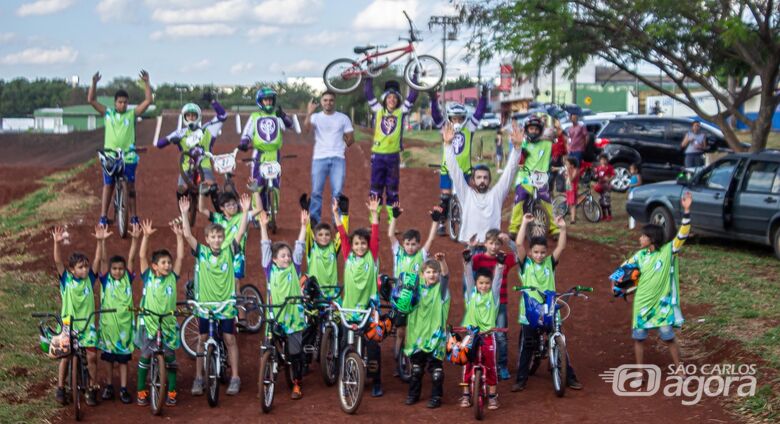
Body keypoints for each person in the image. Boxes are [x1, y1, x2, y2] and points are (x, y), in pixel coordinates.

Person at [179, 194, 251, 397]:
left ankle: (235, 377)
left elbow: (241, 231)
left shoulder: (229, 251)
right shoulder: (201, 251)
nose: (217, 240)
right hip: (205, 305)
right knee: (202, 339)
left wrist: (245, 211)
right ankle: (198, 377)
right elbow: (187, 235)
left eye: (220, 237)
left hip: (225, 304)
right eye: (213, 237)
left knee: (229, 339)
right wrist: (185, 214)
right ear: (207, 239)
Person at [622, 192, 692, 376]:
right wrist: (619, 287)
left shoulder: (668, 252)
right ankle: (639, 373)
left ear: (651, 239)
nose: (640, 239)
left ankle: (680, 370)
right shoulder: (639, 256)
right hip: (642, 304)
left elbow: (683, 234)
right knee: (638, 339)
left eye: (643, 236)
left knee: (668, 337)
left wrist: (686, 211)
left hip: (662, 305)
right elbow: (622, 273)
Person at [512, 213, 582, 392]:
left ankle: (569, 377)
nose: (539, 255)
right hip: (529, 312)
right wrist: (524, 223)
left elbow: (561, 246)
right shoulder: (525, 264)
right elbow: (519, 243)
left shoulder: (550, 263)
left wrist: (563, 228)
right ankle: (521, 380)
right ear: (530, 253)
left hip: (550, 309)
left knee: (560, 343)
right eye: (535, 252)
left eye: (543, 252)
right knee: (527, 346)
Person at [51, 225, 109, 406]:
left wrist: (100, 241)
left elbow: (98, 259)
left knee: (92, 357)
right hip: (68, 325)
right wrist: (56, 243)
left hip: (88, 325)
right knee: (65, 358)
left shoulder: (89, 280)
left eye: (86, 267)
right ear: (72, 270)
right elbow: (58, 261)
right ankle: (61, 387)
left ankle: (91, 387)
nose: (85, 270)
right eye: (80, 267)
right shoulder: (66, 281)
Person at [334, 196, 384, 396]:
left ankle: (377, 380)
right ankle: (344, 377)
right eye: (357, 244)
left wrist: (374, 214)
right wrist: (336, 214)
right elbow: (342, 234)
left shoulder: (372, 255)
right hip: (349, 309)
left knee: (373, 347)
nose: (360, 247)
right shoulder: (348, 255)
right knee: (345, 345)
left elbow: (375, 235)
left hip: (369, 309)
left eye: (363, 243)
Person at [89, 70, 153, 227]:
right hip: (110, 156)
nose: (122, 104)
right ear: (115, 102)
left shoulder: (131, 114)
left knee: (130, 187)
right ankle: (103, 217)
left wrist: (146, 82)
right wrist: (94, 83)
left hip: (128, 156)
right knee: (108, 185)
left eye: (125, 102)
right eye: (120, 102)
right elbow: (91, 100)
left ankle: (133, 217)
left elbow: (148, 101)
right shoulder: (108, 113)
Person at [441, 121, 522, 244]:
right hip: (471, 247)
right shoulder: (466, 194)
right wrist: (447, 145)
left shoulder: (496, 195)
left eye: (485, 177)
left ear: (490, 180)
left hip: (491, 247)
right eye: (478, 178)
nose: (482, 180)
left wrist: (517, 149)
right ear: (472, 180)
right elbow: (454, 170)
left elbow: (510, 171)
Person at [259, 209, 308, 399]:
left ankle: (297, 383)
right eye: (282, 256)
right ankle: (266, 374)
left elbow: (300, 247)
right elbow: (265, 246)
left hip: (294, 317)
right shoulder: (269, 270)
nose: (287, 258)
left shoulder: (294, 268)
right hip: (275, 316)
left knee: (295, 354)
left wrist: (303, 227)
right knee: (268, 345)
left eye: (288, 255)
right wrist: (263, 226)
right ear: (274, 259)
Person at [135, 219, 184, 407]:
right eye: (163, 263)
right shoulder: (148, 276)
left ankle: (171, 391)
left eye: (169, 262)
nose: (168, 265)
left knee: (170, 357)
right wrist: (146, 237)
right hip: (149, 323)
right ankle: (141, 390)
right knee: (146, 356)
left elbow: (180, 258)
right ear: (155, 266)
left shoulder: (173, 277)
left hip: (168, 323)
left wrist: (179, 238)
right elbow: (141, 257)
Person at [387, 202, 440, 373]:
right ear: (403, 244)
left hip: (417, 299)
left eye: (414, 244)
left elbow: (431, 239)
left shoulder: (421, 255)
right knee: (401, 332)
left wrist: (435, 222)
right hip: (400, 299)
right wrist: (394, 218)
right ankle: (398, 360)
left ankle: (411, 359)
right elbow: (390, 234)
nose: (410, 247)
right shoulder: (398, 253)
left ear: (418, 245)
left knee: (412, 330)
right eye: (407, 244)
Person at [431, 87, 489, 235]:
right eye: (454, 118)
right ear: (450, 118)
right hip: (447, 170)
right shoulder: (445, 128)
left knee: (469, 198)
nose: (457, 121)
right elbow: (436, 116)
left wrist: (483, 96)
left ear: (465, 118)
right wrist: (433, 99)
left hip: (465, 170)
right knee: (445, 197)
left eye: (460, 118)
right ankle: (442, 223)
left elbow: (479, 112)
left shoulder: (469, 128)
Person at [155, 95, 228, 209]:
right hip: (186, 168)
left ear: (198, 117)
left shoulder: (207, 130)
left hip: (205, 166)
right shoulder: (180, 133)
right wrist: (170, 140)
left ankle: (221, 213)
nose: (191, 118)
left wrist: (213, 101)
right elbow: (159, 144)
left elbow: (223, 116)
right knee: (181, 188)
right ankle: (182, 211)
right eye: (188, 115)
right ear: (184, 117)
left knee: (212, 187)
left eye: (194, 115)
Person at [97, 223, 140, 404]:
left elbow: (131, 258)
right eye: (115, 269)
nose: (117, 271)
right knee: (108, 359)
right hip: (108, 328)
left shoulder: (127, 280)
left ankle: (123, 388)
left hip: (124, 328)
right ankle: (109, 386)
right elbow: (104, 260)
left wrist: (135, 240)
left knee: (123, 360)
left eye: (120, 269)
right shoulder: (106, 280)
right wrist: (102, 242)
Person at [364, 78, 418, 218]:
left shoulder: (401, 112)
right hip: (378, 156)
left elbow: (413, 96)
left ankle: (391, 222)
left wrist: (414, 78)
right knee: (375, 189)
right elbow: (368, 93)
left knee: (393, 190)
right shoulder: (378, 110)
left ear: (398, 100)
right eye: (389, 97)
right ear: (385, 99)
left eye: (395, 97)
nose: (392, 100)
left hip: (393, 157)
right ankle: (373, 220)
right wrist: (369, 77)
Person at [403, 254, 450, 408]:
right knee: (416, 370)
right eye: (428, 272)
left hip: (435, 337)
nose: (432, 275)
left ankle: (436, 397)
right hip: (417, 335)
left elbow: (446, 276)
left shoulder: (441, 290)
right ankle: (413, 394)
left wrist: (442, 261)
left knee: (437, 371)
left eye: (435, 272)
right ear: (422, 275)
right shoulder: (415, 290)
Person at [470, 230, 517, 381]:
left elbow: (520, 256)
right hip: (482, 305)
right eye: (491, 243)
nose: (494, 246)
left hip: (500, 303)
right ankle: (480, 362)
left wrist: (510, 241)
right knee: (479, 333)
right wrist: (471, 248)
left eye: (497, 243)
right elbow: (467, 265)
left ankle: (501, 366)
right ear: (485, 244)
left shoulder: (504, 259)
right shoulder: (478, 259)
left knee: (501, 336)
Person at [239, 87, 295, 211]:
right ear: (261, 102)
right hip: (259, 154)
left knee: (275, 185)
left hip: (275, 154)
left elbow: (291, 126)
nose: (268, 102)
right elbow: (247, 132)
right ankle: (256, 212)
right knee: (257, 185)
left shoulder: (277, 115)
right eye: (266, 100)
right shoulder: (255, 116)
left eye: (270, 100)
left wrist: (284, 117)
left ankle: (273, 211)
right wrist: (244, 142)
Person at [304, 91, 355, 225]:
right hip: (319, 158)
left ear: (334, 102)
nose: (328, 103)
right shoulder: (315, 117)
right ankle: (315, 220)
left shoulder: (343, 118)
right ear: (321, 102)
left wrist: (344, 142)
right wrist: (309, 112)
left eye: (331, 100)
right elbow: (306, 128)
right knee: (316, 192)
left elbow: (351, 139)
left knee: (337, 192)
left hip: (338, 158)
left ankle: (336, 221)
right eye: (325, 100)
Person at [460, 257, 504, 410]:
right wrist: (467, 263)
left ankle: (492, 397)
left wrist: (499, 265)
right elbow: (468, 278)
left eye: (487, 283)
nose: (484, 286)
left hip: (487, 337)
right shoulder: (471, 295)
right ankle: (465, 395)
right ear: (476, 284)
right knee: (466, 365)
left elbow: (498, 280)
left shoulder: (493, 297)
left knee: (491, 366)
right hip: (471, 336)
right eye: (481, 283)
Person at [508, 113, 558, 237]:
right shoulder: (523, 143)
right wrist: (519, 149)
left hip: (540, 177)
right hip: (524, 177)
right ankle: (514, 228)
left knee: (547, 201)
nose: (534, 131)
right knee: (519, 200)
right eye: (531, 129)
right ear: (527, 130)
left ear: (540, 130)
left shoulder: (547, 143)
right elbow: (516, 152)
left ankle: (554, 228)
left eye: (536, 129)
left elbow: (559, 144)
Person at [198, 191, 262, 280]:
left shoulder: (243, 216)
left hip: (237, 254)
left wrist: (255, 191)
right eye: (228, 205)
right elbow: (201, 209)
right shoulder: (217, 218)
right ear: (221, 208)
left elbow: (259, 209)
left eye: (234, 204)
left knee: (235, 282)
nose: (232, 207)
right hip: (220, 255)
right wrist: (201, 193)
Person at [301, 193, 349, 299]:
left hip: (332, 295)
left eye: (327, 234)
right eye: (320, 235)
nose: (324, 237)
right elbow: (308, 231)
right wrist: (305, 211)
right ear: (315, 237)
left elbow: (343, 234)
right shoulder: (312, 247)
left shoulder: (333, 246)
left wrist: (344, 214)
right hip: (315, 295)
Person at [594, 154, 615, 221]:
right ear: (600, 161)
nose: (603, 161)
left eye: (604, 160)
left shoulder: (609, 167)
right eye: (602, 160)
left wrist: (609, 179)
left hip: (606, 186)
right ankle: (604, 215)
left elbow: (613, 175)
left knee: (607, 201)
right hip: (600, 186)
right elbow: (596, 175)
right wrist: (596, 177)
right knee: (601, 201)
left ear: (607, 160)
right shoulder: (598, 168)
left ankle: (609, 215)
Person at [550, 119, 568, 194]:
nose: (556, 131)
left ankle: (563, 197)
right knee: (550, 180)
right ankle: (551, 194)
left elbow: (565, 167)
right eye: (556, 129)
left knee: (561, 184)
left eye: (558, 129)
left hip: (560, 163)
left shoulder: (562, 140)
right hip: (553, 162)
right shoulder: (553, 141)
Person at [564, 157, 580, 224]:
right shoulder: (569, 169)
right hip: (568, 187)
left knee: (572, 204)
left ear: (572, 165)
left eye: (567, 164)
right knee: (570, 203)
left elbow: (571, 179)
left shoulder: (575, 170)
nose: (566, 165)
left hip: (573, 188)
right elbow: (566, 178)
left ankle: (573, 219)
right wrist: (566, 173)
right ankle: (573, 216)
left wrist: (568, 172)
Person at [628, 163, 642, 229]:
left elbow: (639, 183)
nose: (631, 171)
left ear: (636, 170)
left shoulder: (638, 175)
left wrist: (632, 185)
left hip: (635, 192)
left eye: (632, 169)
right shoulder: (631, 176)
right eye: (630, 169)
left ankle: (634, 225)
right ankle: (631, 225)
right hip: (630, 193)